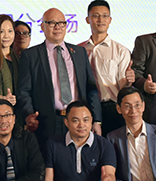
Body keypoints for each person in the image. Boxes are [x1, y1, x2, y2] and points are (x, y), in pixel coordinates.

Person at [17, 8, 103, 147]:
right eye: (52, 23)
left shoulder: (79, 52)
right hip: (47, 122)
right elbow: (24, 91)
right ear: (42, 26)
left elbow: (91, 88)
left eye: (61, 23)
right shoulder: (31, 55)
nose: (57, 27)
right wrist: (29, 114)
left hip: (79, 120)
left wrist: (96, 120)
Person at [82, 0, 134, 135]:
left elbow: (123, 87)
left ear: (110, 20)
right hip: (85, 110)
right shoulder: (79, 49)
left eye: (105, 16)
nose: (101, 20)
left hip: (112, 109)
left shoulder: (121, 51)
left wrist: (129, 82)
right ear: (87, 19)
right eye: (95, 16)